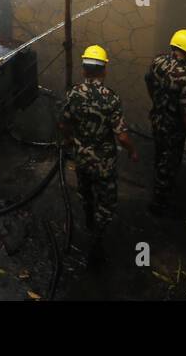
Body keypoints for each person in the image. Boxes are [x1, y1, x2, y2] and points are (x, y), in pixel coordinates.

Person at [59, 45, 138, 265]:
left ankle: (88, 220)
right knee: (107, 202)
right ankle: (97, 239)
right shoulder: (111, 99)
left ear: (84, 70)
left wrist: (69, 141)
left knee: (85, 192)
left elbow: (64, 124)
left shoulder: (74, 93)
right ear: (104, 71)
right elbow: (122, 137)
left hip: (82, 159)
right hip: (104, 163)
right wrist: (132, 151)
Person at [145, 29, 186, 216]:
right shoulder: (185, 76)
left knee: (160, 154)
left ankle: (157, 185)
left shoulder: (158, 61)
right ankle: (159, 205)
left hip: (157, 118)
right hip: (173, 128)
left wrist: (156, 101)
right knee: (169, 163)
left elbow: (148, 80)